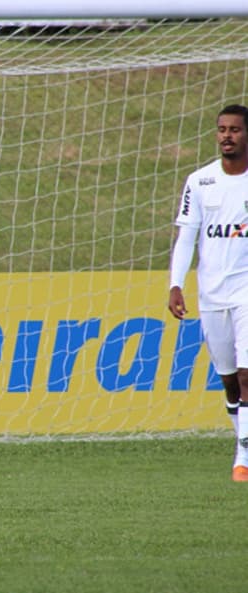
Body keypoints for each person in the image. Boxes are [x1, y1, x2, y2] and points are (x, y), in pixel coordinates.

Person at [168, 103, 248, 482]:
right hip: (212, 293)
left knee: (247, 375)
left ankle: (242, 459)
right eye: (221, 129)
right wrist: (175, 284)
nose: (226, 135)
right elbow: (187, 237)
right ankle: (244, 441)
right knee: (229, 378)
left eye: (234, 129)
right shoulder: (199, 181)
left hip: (246, 290)